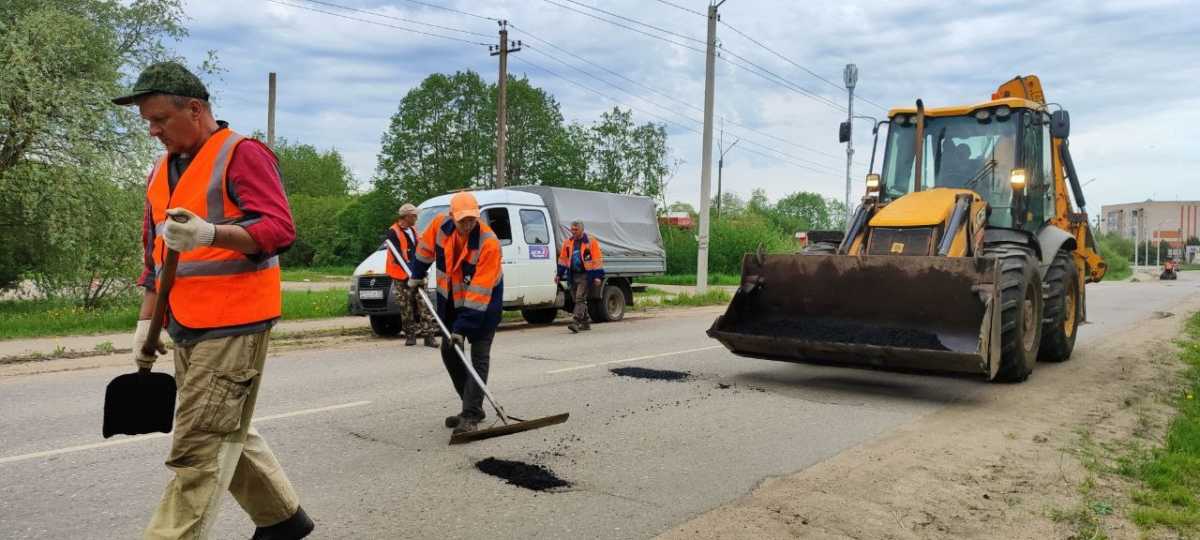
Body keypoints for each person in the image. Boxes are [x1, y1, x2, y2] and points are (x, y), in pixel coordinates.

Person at [115, 62, 313, 540]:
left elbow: (279, 229)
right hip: (184, 322)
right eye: (148, 121)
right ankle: (283, 521)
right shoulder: (160, 171)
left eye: (159, 119)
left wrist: (210, 234)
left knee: (199, 444)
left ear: (196, 109)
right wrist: (147, 324)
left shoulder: (242, 155)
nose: (153, 130)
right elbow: (155, 256)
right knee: (226, 426)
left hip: (236, 322)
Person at [409, 192, 504, 434]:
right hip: (450, 302)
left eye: (472, 219)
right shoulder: (440, 225)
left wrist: (462, 329)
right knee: (450, 352)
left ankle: (471, 415)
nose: (467, 224)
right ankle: (470, 405)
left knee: (478, 358)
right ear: (452, 216)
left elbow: (479, 292)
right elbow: (424, 251)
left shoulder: (488, 243)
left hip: (484, 307)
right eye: (463, 220)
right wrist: (416, 274)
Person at [385, 203, 437, 347]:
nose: (416, 217)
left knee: (424, 304)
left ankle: (429, 336)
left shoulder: (414, 230)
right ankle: (410, 335)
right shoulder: (393, 232)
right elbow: (398, 256)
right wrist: (410, 273)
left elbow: (419, 250)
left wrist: (420, 269)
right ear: (406, 216)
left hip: (417, 273)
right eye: (414, 215)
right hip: (401, 276)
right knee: (406, 306)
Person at [555, 220, 604, 333]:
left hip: (586, 275)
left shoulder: (591, 241)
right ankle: (586, 322)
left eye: (576, 230)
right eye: (572, 229)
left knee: (579, 298)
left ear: (582, 229)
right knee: (576, 300)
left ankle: (575, 322)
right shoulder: (568, 242)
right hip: (572, 275)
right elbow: (563, 260)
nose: (573, 232)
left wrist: (598, 276)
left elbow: (597, 260)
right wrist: (559, 274)